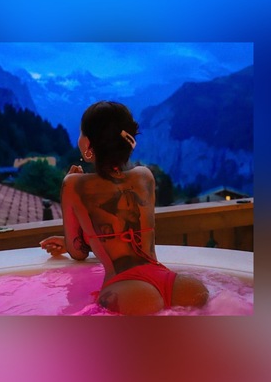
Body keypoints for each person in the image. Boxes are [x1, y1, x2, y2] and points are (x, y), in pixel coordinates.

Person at [40, 100, 208, 315]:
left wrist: (70, 243)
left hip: (128, 291)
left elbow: (78, 252)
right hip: (179, 284)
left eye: (82, 132)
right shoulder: (145, 176)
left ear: (88, 143)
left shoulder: (73, 185)